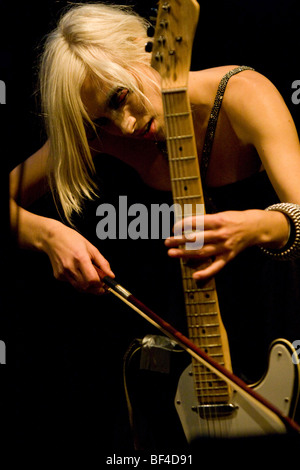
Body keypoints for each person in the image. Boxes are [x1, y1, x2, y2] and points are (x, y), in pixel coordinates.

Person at [10, 2, 300, 450]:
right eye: (101, 121)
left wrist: (262, 224)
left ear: (143, 51)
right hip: (164, 371)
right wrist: (45, 234)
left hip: (272, 338)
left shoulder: (244, 94)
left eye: (119, 98)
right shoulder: (102, 134)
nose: (124, 127)